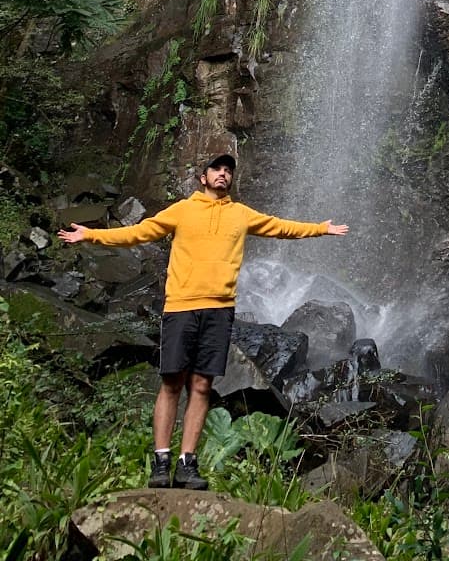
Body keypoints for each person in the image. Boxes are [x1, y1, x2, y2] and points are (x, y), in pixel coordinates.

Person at [58, 152, 349, 491]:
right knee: (171, 383)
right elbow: (139, 233)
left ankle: (187, 463)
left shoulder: (241, 214)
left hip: (219, 310)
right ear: (203, 177)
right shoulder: (182, 210)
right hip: (181, 306)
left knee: (201, 385)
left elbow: (281, 227)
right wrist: (92, 235)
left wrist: (320, 229)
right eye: (216, 169)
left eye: (228, 171)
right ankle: (161, 459)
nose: (223, 174)